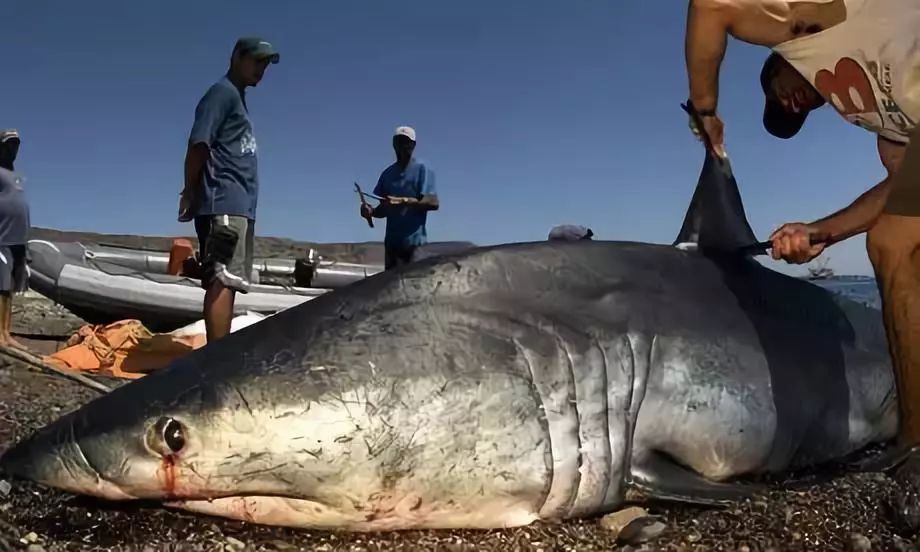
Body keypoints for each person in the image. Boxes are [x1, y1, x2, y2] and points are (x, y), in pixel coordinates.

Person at [684, 0, 920, 455]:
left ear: (781, 61)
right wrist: (819, 233)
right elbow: (901, 190)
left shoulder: (810, 24)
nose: (789, 105)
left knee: (891, 242)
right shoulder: (881, 123)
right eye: (793, 113)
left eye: (778, 93)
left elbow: (712, 5)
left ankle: (913, 450)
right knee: (899, 244)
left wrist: (705, 111)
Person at [177, 37, 279, 343]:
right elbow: (199, 144)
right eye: (256, 60)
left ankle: (217, 355)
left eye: (265, 63)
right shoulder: (221, 94)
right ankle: (216, 360)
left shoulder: (237, 97)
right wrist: (190, 190)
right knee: (222, 278)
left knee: (228, 279)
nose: (261, 68)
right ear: (236, 57)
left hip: (237, 204)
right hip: (223, 200)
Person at [360, 126, 439, 270]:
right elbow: (383, 209)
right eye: (399, 141)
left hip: (415, 246)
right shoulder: (387, 174)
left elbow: (433, 202)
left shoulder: (423, 169)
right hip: (392, 246)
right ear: (393, 144)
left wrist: (404, 201)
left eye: (407, 142)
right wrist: (370, 212)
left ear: (413, 145)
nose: (403, 146)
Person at [0, 130, 31, 350]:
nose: (13, 149)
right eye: (8, 145)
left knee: (10, 288)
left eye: (16, 145)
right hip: (2, 238)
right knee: (1, 288)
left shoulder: (15, 174)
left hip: (19, 239)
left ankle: (6, 332)